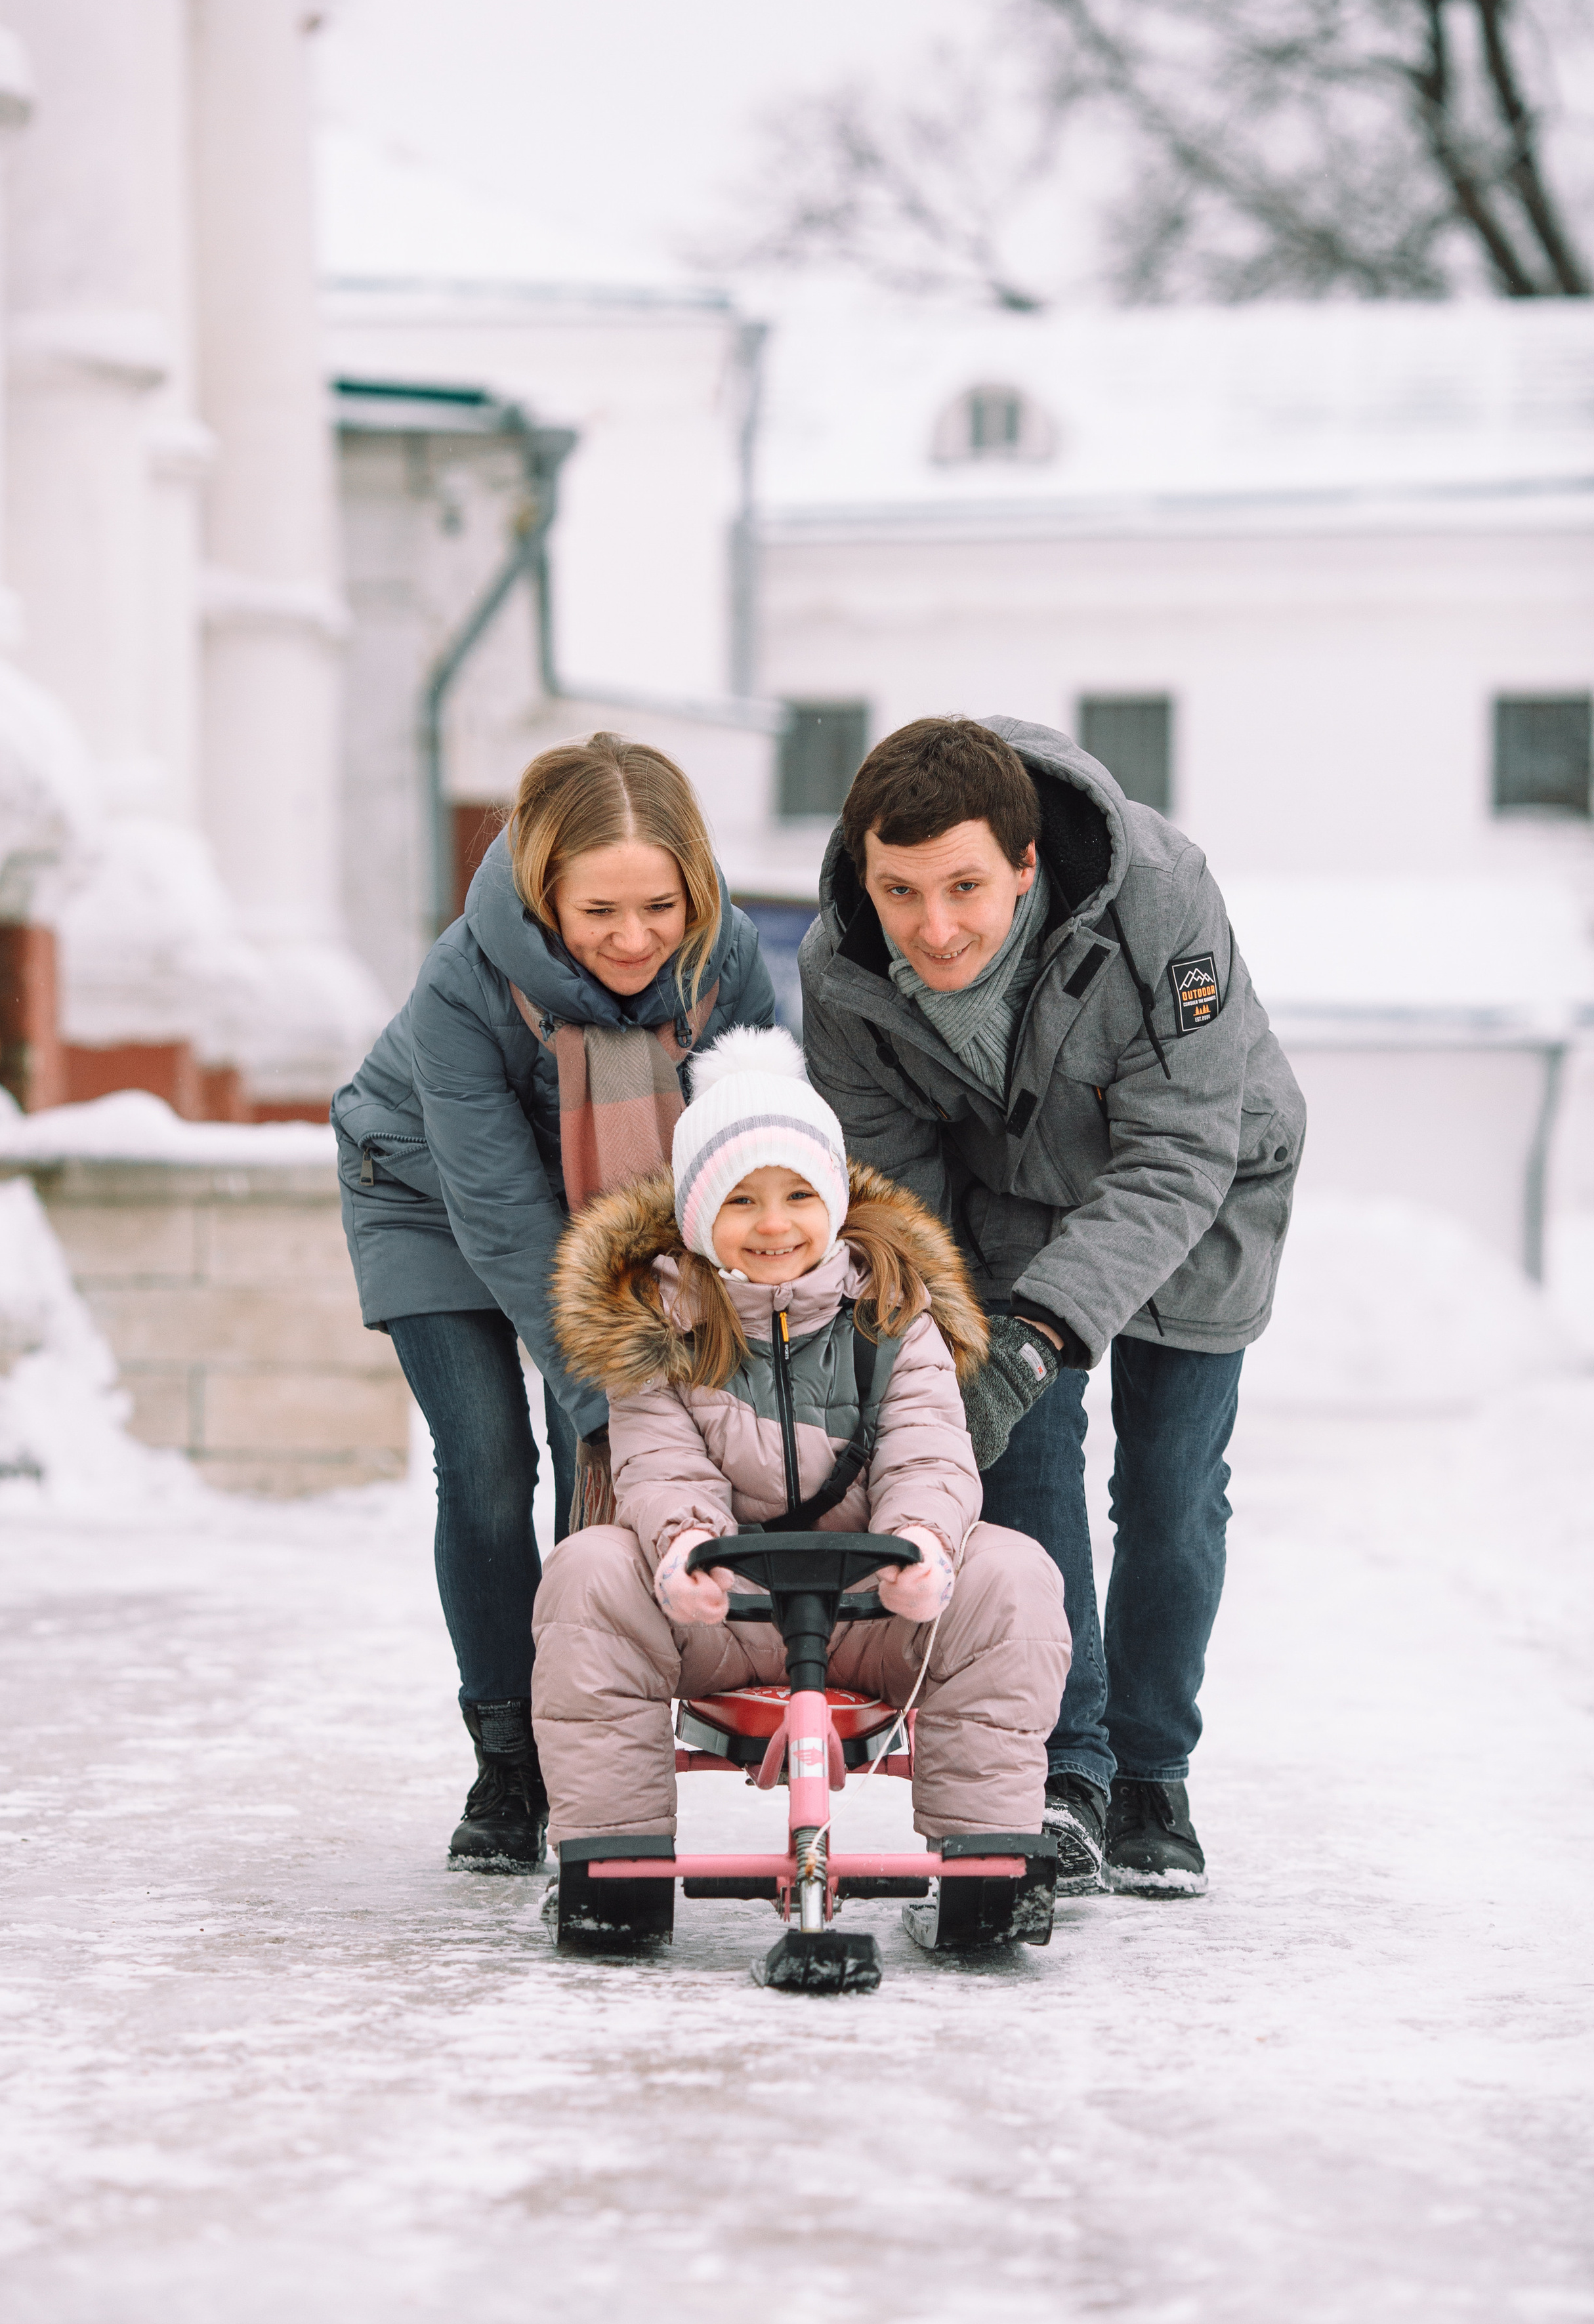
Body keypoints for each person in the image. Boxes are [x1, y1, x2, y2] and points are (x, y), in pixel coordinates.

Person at [797, 716, 1305, 1898]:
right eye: (900, 892)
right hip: (1011, 1196)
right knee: (1018, 1461)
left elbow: (1182, 1144)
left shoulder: (1159, 897)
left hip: (1207, 1181)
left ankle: (1151, 1778)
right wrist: (957, 1352)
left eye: (966, 885)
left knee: (1171, 1491)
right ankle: (1066, 1777)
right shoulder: (842, 976)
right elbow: (898, 1198)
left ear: (1025, 866)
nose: (933, 927)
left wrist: (1046, 1333)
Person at [331, 735, 775, 1871]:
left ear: (698, 887)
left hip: (629, 1213)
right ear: (543, 891)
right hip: (429, 1199)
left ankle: (602, 1720)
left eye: (659, 907)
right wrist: (610, 1395)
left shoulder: (729, 968)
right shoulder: (462, 986)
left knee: (655, 1436)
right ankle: (511, 1759)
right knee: (493, 1459)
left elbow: (753, 1152)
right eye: (599, 912)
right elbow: (505, 1220)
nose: (634, 941)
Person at [530, 1026, 1071, 1920]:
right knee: (589, 1572)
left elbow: (929, 1447)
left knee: (1012, 1574)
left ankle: (990, 1869)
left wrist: (922, 1547)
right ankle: (612, 1871)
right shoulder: (660, 1330)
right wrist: (684, 1551)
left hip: (871, 1607)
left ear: (832, 1201)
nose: (774, 1224)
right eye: (742, 1201)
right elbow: (659, 1464)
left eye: (796, 1195)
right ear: (703, 1217)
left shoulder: (893, 1316)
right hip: (721, 1610)